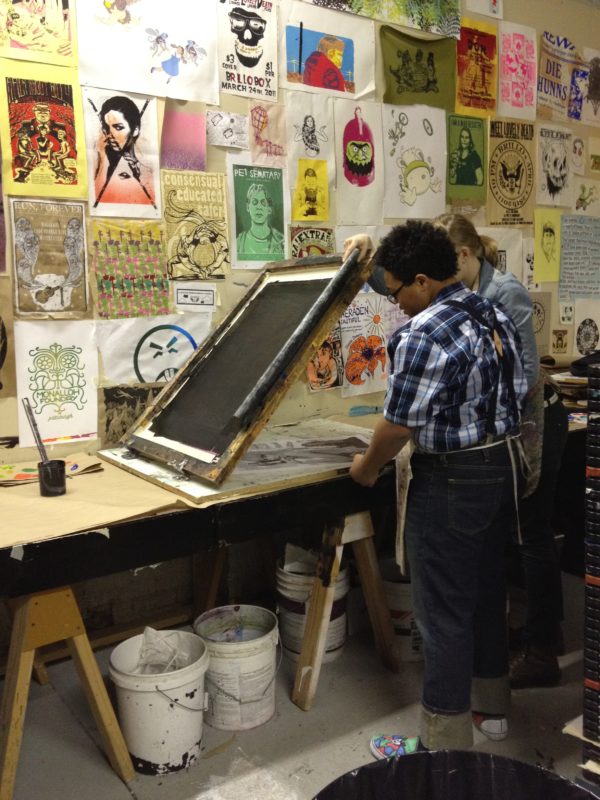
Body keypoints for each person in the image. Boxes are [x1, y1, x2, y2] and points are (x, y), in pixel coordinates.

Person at [344, 220, 527, 754]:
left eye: (397, 291)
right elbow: (517, 387)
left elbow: (397, 426)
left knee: (442, 612)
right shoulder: (492, 309)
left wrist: (366, 468)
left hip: (451, 480)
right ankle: (491, 712)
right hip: (500, 470)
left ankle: (441, 749)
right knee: (487, 595)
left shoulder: (424, 332)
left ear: (422, 281)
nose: (395, 302)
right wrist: (361, 253)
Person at [93, 95, 156, 209]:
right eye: (107, 128)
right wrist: (103, 158)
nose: (110, 135)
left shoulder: (148, 170)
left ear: (135, 130)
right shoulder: (98, 160)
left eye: (118, 127)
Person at [236, 183, 285, 258]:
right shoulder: (239, 242)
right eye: (254, 202)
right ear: (248, 207)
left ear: (269, 209)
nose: (259, 207)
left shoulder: (281, 241)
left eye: (263, 202)